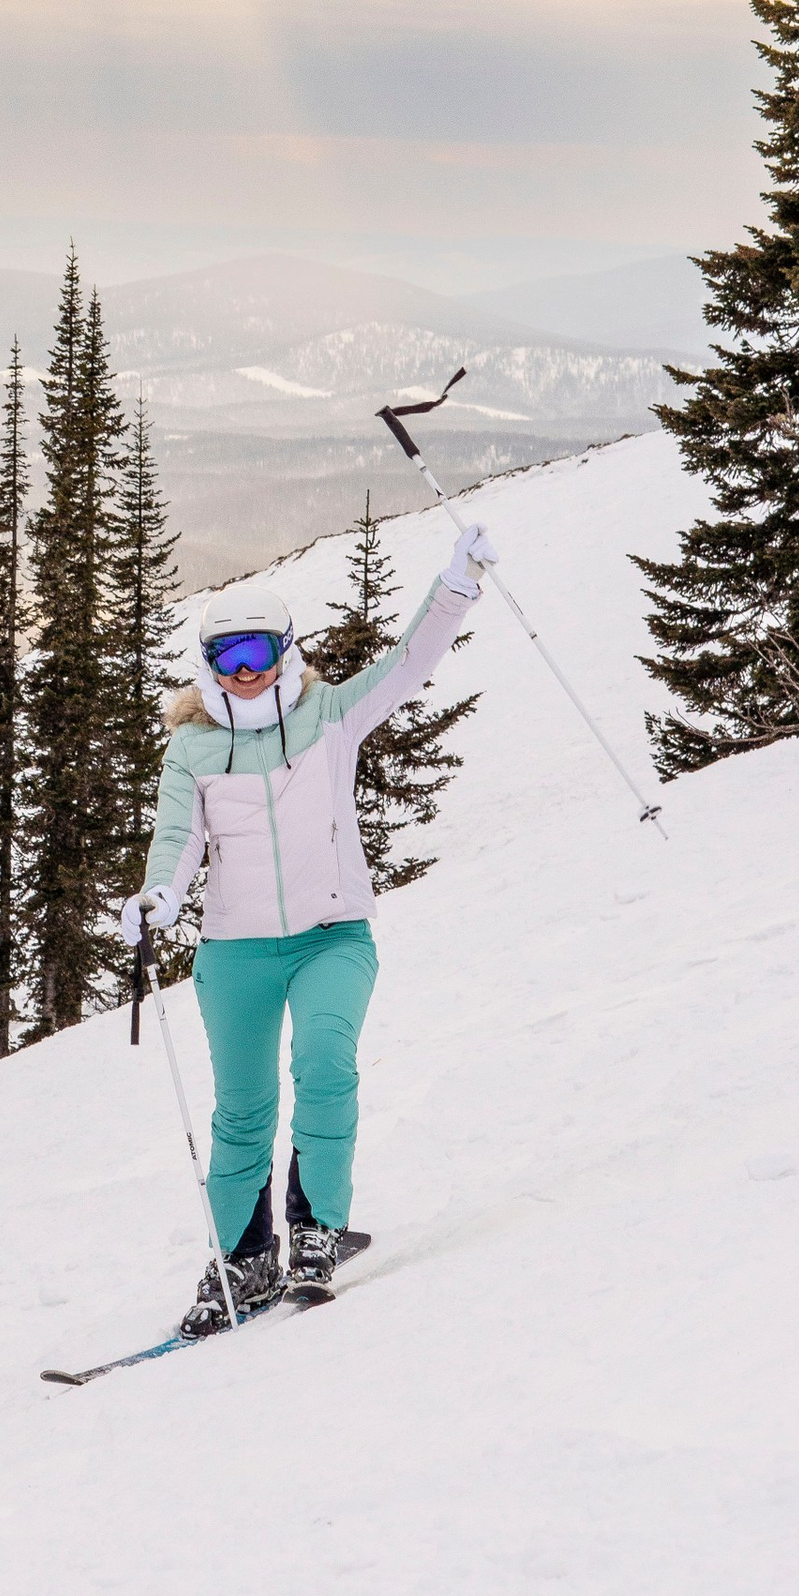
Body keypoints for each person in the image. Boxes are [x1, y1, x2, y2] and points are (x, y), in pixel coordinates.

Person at [125, 522, 493, 1333]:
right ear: (207, 665)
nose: (245, 672)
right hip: (236, 952)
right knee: (243, 1111)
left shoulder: (329, 715)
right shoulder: (192, 749)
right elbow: (179, 839)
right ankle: (244, 1257)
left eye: (258, 652)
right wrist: (158, 898)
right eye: (227, 657)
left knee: (325, 1064)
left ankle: (316, 1228)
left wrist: (456, 585)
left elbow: (408, 665)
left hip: (332, 937)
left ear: (285, 651)